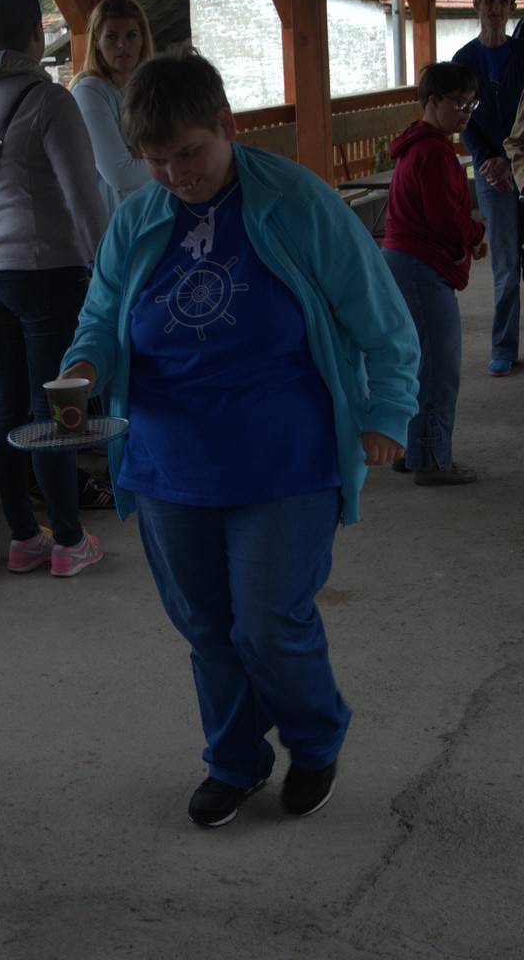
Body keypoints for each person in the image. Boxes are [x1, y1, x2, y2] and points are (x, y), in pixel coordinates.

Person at [59, 54, 420, 827]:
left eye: (189, 152)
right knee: (206, 626)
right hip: (168, 463)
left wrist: (388, 410)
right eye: (155, 160)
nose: (175, 175)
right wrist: (82, 368)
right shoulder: (138, 218)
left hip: (285, 458)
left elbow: (381, 317)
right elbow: (101, 314)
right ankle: (234, 760)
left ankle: (314, 739)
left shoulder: (298, 202)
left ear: (227, 124)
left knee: (267, 623)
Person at [0, 0, 108, 577]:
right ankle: (69, 542)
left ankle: (23, 538)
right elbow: (83, 196)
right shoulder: (49, 101)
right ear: (39, 31)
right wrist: (105, 267)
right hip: (48, 275)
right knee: (54, 408)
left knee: (5, 403)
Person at [0, 216, 115, 510]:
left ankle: (43, 501)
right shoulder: (0, 240)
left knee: (27, 393)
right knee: (34, 401)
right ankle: (64, 492)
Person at [383, 63, 488, 486]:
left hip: (407, 262)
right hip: (419, 267)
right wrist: (475, 234)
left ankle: (414, 448)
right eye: (458, 103)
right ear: (432, 101)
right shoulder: (433, 152)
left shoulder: (421, 144)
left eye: (470, 104)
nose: (465, 112)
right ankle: (430, 459)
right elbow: (445, 219)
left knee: (419, 362)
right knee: (439, 367)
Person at [453, 0, 524, 377]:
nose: (495, 9)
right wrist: (488, 159)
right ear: (476, 4)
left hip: (523, 162)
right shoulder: (464, 61)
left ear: (511, 7)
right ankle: (503, 346)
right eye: (489, 1)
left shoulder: (523, 54)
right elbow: (461, 116)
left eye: (503, 2)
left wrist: (512, 158)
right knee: (505, 261)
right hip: (490, 170)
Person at [70, 0, 153, 218]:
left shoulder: (148, 88)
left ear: (143, 40)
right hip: (112, 221)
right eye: (112, 37)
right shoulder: (90, 91)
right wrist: (169, 159)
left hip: (149, 213)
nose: (122, 45)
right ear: (97, 42)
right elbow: (121, 175)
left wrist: (144, 157)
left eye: (131, 35)